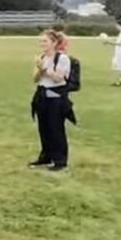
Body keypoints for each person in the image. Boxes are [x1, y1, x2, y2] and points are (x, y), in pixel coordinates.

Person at [30, 30, 73, 172]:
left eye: (45, 41)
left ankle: (60, 160)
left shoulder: (62, 58)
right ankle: (46, 156)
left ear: (54, 43)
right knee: (44, 128)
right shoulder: (42, 57)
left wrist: (44, 69)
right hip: (42, 95)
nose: (42, 44)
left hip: (56, 98)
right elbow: (35, 79)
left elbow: (58, 78)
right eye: (41, 41)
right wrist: (38, 68)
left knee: (56, 129)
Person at [104, 19, 121, 86]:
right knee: (117, 65)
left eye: (117, 25)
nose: (116, 26)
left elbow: (119, 43)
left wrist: (108, 42)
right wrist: (109, 39)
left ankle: (120, 80)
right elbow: (118, 40)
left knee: (118, 66)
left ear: (120, 25)